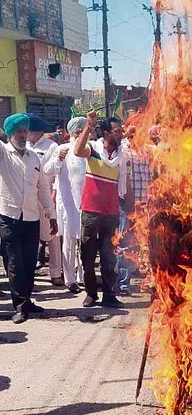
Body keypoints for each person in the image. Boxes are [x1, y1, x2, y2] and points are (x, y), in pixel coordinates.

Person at [0, 114, 58, 323]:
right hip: (9, 218)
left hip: (32, 218)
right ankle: (20, 306)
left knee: (29, 262)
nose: (23, 134)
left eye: (25, 130)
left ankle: (27, 300)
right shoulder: (4, 154)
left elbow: (42, 188)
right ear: (9, 133)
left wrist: (51, 215)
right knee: (14, 263)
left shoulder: (34, 157)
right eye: (18, 131)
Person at [75, 111, 125, 308]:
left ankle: (109, 294)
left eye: (121, 131)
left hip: (111, 213)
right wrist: (88, 126)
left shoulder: (122, 154)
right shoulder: (93, 149)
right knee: (88, 255)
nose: (121, 134)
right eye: (117, 131)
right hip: (91, 211)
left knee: (109, 256)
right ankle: (91, 293)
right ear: (106, 133)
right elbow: (78, 151)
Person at [43, 117, 87, 294]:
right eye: (82, 130)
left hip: (86, 203)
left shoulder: (89, 149)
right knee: (69, 242)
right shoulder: (63, 149)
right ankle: (70, 279)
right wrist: (58, 160)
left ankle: (83, 277)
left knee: (86, 242)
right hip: (68, 204)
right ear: (76, 132)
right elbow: (48, 170)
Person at [115, 115, 150, 295]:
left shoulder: (147, 150)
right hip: (126, 205)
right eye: (133, 130)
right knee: (125, 243)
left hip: (144, 205)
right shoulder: (122, 150)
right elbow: (106, 144)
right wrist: (124, 134)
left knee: (141, 243)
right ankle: (122, 282)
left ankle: (135, 272)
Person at [27, 114, 63, 287]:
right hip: (27, 199)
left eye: (28, 130)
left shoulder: (51, 146)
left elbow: (53, 171)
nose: (25, 133)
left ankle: (56, 273)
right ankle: (29, 274)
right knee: (29, 239)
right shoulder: (24, 145)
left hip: (47, 197)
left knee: (52, 238)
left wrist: (53, 195)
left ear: (36, 131)